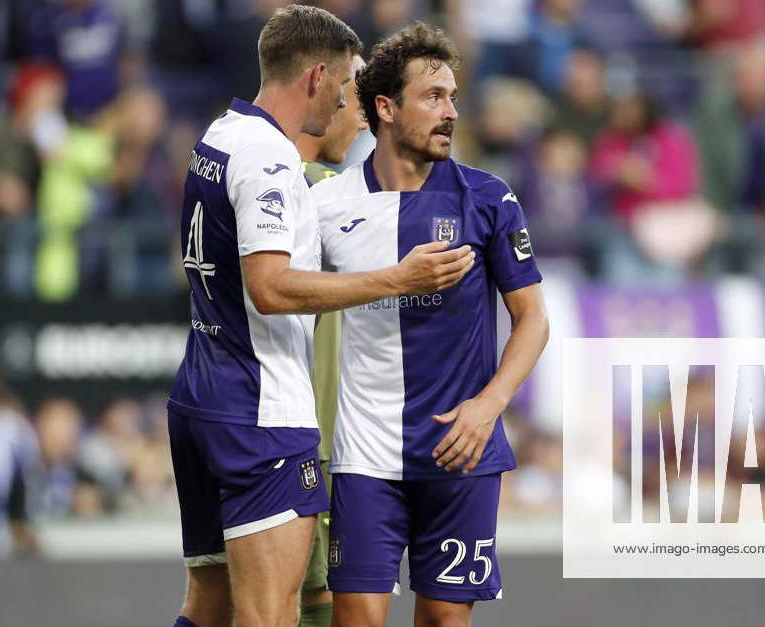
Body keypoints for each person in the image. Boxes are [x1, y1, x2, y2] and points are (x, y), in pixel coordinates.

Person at [165, 7, 475, 627]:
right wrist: (398, 278)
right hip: (260, 410)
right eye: (343, 85)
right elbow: (271, 289)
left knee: (209, 603)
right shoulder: (273, 162)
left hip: (201, 393)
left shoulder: (220, 136)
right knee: (271, 613)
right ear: (314, 77)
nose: (347, 104)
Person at [312, 23, 550, 627]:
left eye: (453, 97)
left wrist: (489, 405)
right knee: (357, 620)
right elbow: (283, 295)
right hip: (366, 452)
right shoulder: (329, 205)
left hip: (461, 451)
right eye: (433, 97)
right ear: (386, 108)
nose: (451, 112)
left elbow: (533, 319)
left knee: (444, 620)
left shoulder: (488, 198)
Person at [292, 53, 369, 627]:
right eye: (359, 100)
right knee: (301, 598)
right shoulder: (317, 190)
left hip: (312, 432)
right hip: (303, 434)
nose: (365, 120)